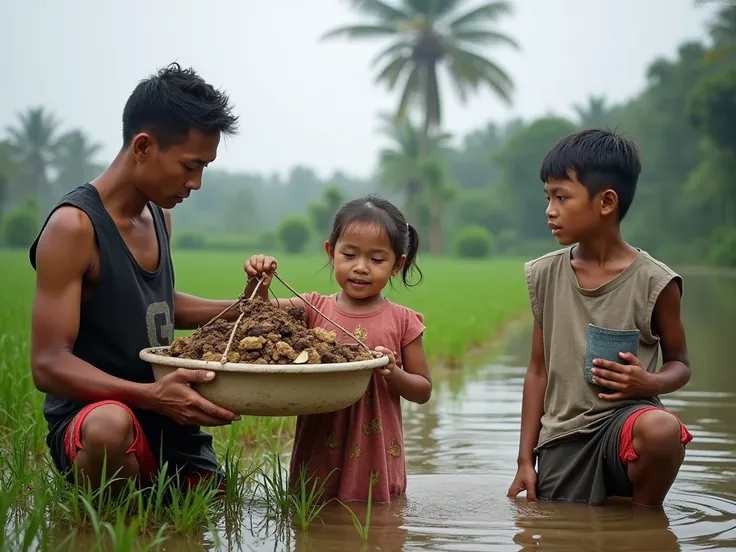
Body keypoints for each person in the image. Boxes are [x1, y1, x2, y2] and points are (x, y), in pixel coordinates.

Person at [28, 62, 256, 493]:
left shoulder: (158, 216)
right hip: (100, 416)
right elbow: (48, 364)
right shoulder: (74, 228)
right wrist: (151, 396)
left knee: (207, 510)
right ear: (144, 146)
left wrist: (250, 312)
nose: (197, 182)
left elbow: (158, 305)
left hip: (166, 420)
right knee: (110, 427)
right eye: (190, 165)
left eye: (204, 167)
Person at [507, 129, 693, 508]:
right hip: (564, 437)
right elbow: (537, 371)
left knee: (661, 429)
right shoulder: (545, 275)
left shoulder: (655, 282)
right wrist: (525, 460)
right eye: (548, 197)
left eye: (562, 197)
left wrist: (649, 381)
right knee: (562, 528)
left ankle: (645, 522)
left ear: (606, 202)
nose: (550, 210)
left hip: (625, 422)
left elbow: (681, 364)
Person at [244, 195, 432, 503]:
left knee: (378, 524)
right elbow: (258, 315)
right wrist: (258, 284)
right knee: (312, 515)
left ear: (397, 265)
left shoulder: (404, 321)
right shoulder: (311, 307)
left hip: (376, 451)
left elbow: (422, 390)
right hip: (320, 444)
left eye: (376, 259)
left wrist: (393, 373)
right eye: (350, 254)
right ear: (331, 252)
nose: (360, 268)